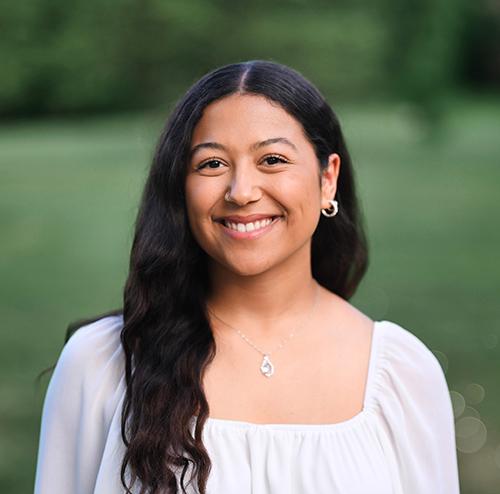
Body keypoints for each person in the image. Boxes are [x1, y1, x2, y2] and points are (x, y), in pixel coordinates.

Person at [33, 60, 460, 494]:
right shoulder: (101, 365)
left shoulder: (402, 376)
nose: (241, 191)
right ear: (181, 186)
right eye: (212, 164)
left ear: (327, 179)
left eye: (272, 159)